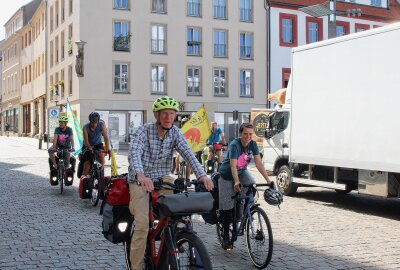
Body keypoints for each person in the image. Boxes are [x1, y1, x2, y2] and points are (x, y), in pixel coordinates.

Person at [127, 96, 213, 270]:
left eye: (172, 113)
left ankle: (172, 240)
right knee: (143, 225)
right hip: (139, 179)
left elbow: (188, 153)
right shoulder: (143, 131)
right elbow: (134, 154)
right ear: (156, 115)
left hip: (162, 178)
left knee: (178, 212)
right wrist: (141, 175)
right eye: (165, 113)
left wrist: (202, 175)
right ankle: (136, 267)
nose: (169, 117)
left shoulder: (175, 132)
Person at [218, 123, 272, 250]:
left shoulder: (252, 144)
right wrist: (236, 181)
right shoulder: (235, 145)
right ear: (240, 134)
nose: (248, 136)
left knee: (251, 185)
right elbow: (233, 166)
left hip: (241, 172)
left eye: (250, 134)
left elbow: (258, 163)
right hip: (227, 175)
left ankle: (243, 212)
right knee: (227, 206)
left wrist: (268, 180)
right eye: (245, 134)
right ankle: (226, 234)